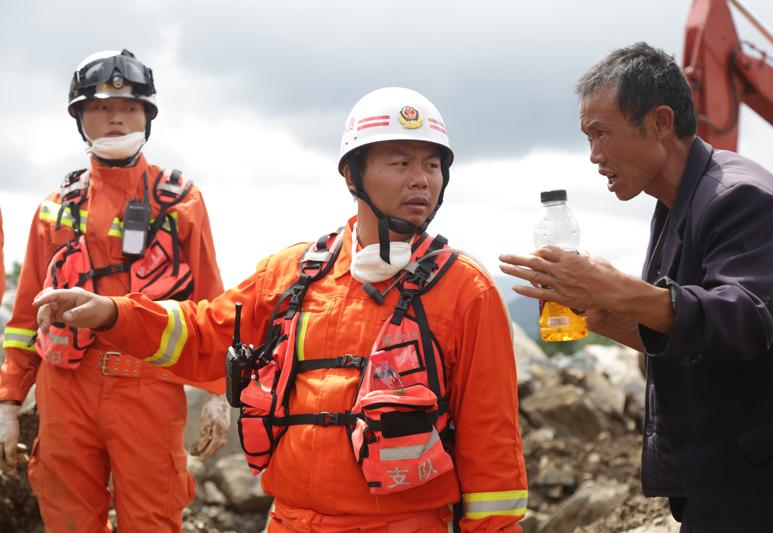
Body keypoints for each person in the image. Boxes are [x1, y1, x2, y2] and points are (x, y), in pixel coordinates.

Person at [33, 87, 529, 532]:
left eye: (432, 165)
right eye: (400, 163)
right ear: (352, 175)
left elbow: (492, 450)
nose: (421, 180)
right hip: (289, 521)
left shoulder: (468, 291)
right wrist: (113, 314)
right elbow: (206, 332)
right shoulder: (295, 273)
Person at [499, 42, 773, 531]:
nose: (594, 156)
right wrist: (604, 316)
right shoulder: (674, 204)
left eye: (601, 135)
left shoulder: (741, 197)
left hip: (771, 488)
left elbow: (742, 321)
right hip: (720, 482)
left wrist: (613, 287)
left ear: (660, 122)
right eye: (586, 138)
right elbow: (682, 333)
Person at [0, 49, 231, 532]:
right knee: (66, 520)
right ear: (81, 119)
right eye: (100, 108)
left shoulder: (182, 202)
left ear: (147, 115)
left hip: (148, 387)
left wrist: (216, 393)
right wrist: (7, 404)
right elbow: (24, 319)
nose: (115, 118)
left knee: (152, 519)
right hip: (64, 387)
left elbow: (211, 303)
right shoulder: (53, 210)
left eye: (128, 107)